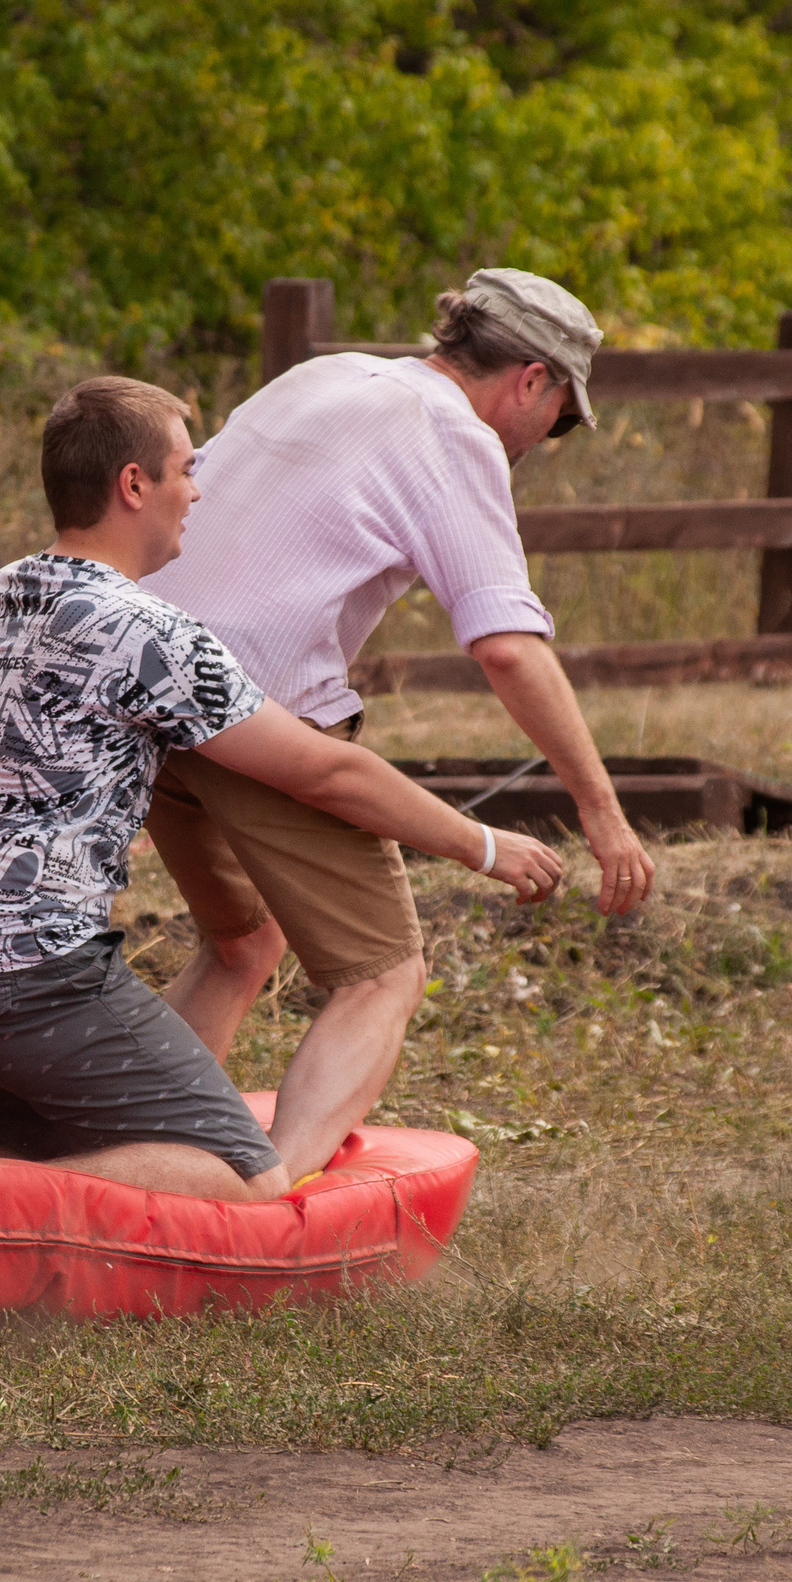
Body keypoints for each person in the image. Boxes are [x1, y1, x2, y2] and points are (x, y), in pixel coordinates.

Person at [0, 378, 565, 1201]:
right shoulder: (150, 631)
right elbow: (327, 769)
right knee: (248, 1178)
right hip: (26, 984)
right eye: (185, 469)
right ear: (134, 485)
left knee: (66, 1145)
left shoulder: (5, 588)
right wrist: (483, 845)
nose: (197, 492)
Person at [138, 267, 656, 1163]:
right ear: (531, 379)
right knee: (384, 972)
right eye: (562, 418)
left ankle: (121, 1149)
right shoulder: (455, 434)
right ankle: (272, 1196)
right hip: (255, 712)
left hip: (138, 684)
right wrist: (603, 813)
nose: (550, 439)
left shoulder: (324, 374)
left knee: (245, 940)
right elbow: (507, 646)